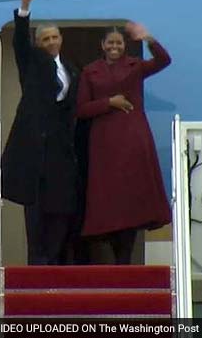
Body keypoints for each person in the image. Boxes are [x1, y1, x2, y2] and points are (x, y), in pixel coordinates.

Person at [1, 0, 82, 265]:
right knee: (35, 216)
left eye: (54, 37)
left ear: (61, 39)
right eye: (45, 38)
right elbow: (20, 42)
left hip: (61, 151)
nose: (50, 42)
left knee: (62, 213)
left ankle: (54, 262)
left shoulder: (72, 69)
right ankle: (37, 267)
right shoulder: (32, 62)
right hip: (35, 151)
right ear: (39, 43)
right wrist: (24, 7)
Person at [76, 22, 172, 264]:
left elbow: (164, 60)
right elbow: (81, 109)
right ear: (103, 45)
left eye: (119, 43)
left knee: (130, 200)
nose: (114, 46)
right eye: (110, 42)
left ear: (124, 45)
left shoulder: (135, 66)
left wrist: (149, 38)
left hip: (132, 139)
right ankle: (108, 261)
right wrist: (109, 102)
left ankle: (125, 261)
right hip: (104, 143)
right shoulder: (90, 71)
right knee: (106, 199)